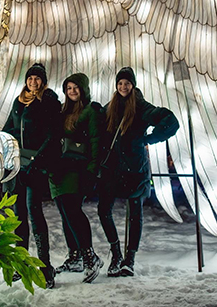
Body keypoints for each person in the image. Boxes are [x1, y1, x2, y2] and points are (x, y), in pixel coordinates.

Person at [97, 67, 179, 277]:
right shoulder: (111, 106)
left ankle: (129, 259)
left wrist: (147, 139)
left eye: (127, 83)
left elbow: (170, 122)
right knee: (103, 209)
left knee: (135, 213)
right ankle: (116, 254)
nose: (123, 87)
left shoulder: (141, 106)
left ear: (132, 85)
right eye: (120, 83)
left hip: (135, 168)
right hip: (113, 168)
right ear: (116, 86)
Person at [2, 63, 60, 288]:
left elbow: (52, 133)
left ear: (43, 82)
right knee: (18, 216)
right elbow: (8, 128)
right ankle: (20, 263)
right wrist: (6, 146)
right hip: (17, 165)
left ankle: (45, 267)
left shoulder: (47, 101)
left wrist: (38, 160)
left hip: (35, 166)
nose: (33, 82)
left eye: (37, 79)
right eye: (30, 78)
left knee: (34, 214)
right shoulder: (18, 102)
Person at [49, 73, 104, 283]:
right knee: (65, 212)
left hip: (78, 169)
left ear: (83, 89)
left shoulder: (90, 111)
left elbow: (96, 142)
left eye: (75, 88)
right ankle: (75, 256)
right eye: (68, 88)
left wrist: (92, 171)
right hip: (62, 168)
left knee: (72, 210)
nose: (72, 91)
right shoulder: (63, 112)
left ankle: (90, 257)